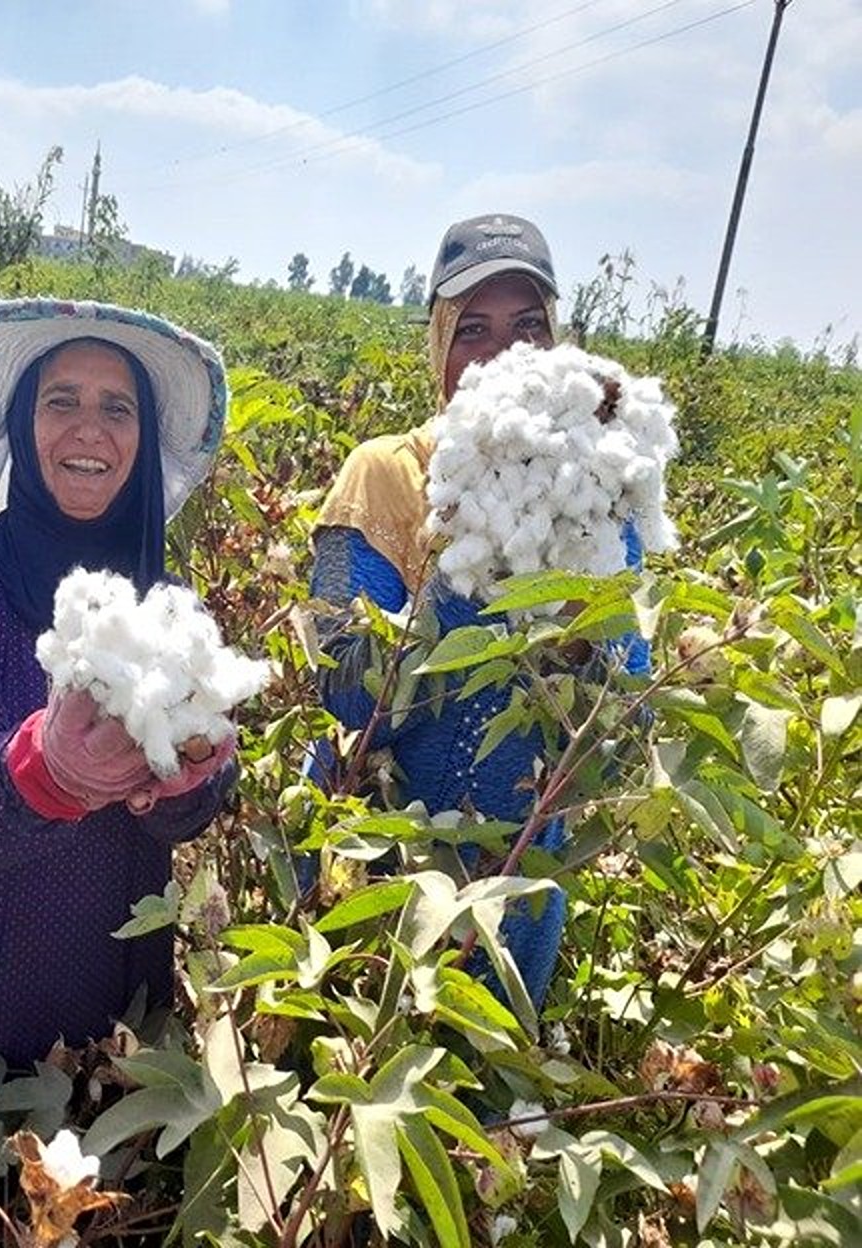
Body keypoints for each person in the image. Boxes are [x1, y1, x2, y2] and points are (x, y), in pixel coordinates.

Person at [0, 299, 237, 1167]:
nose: (89, 430)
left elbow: (201, 798)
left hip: (106, 958)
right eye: (60, 400)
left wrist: (192, 774)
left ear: (144, 440)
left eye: (118, 408)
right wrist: (47, 767)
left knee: (83, 1185)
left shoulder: (168, 605)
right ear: (23, 427)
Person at [310, 214, 647, 1012]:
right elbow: (345, 693)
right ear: (439, 344)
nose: (502, 354)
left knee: (487, 1072)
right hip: (376, 873)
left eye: (527, 326)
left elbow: (624, 729)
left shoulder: (595, 491)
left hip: (515, 887)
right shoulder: (384, 476)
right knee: (359, 1049)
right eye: (473, 329)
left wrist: (578, 629)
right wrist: (466, 560)